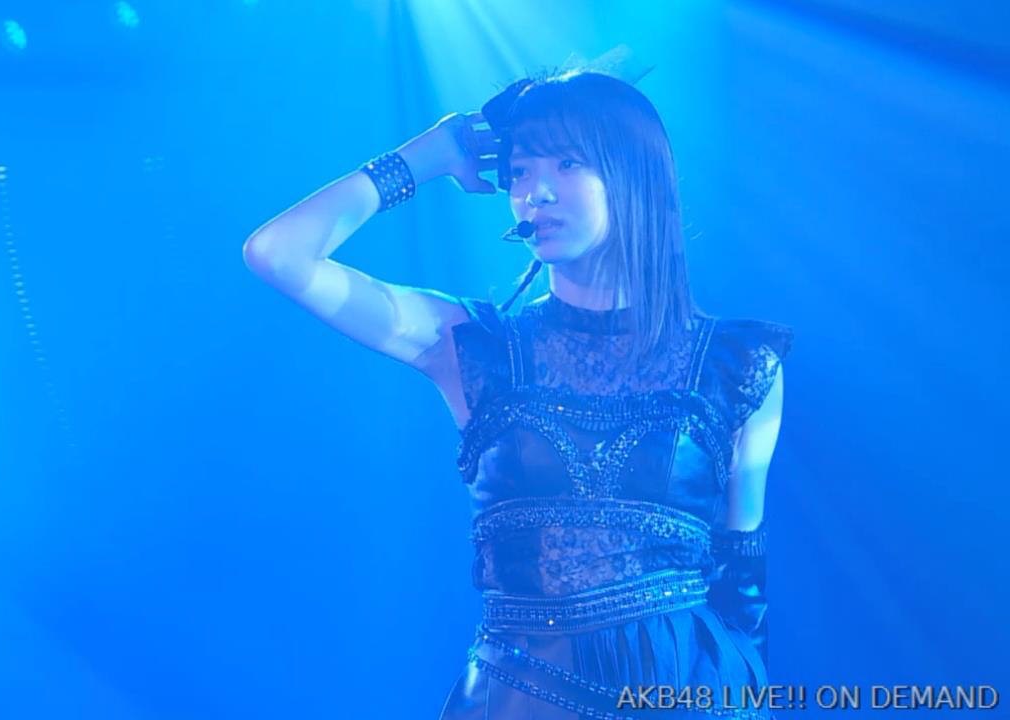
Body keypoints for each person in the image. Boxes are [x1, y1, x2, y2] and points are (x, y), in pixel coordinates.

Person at [242, 54, 791, 719]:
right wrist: (426, 156)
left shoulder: (736, 364)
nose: (536, 192)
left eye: (568, 163)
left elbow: (742, 572)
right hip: (521, 699)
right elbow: (277, 253)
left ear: (636, 177)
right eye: (520, 170)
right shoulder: (473, 347)